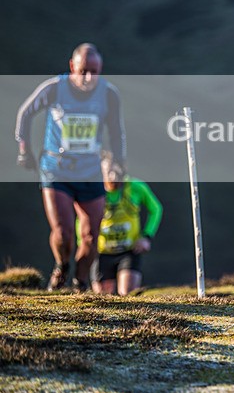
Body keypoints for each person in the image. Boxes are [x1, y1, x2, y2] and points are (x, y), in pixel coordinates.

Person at [15, 43, 126, 291]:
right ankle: (62, 266)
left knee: (90, 236)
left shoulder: (109, 94)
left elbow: (117, 132)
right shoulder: (54, 89)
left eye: (94, 72)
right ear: (72, 66)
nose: (88, 77)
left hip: (91, 171)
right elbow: (25, 114)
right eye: (83, 70)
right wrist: (24, 150)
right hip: (56, 169)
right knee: (64, 233)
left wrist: (118, 163)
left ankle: (81, 281)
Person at [90, 153, 162, 295]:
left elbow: (156, 209)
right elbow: (83, 217)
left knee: (128, 294)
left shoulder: (136, 187)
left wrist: (146, 236)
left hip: (129, 250)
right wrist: (85, 243)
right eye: (109, 172)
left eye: (117, 172)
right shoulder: (94, 189)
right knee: (103, 299)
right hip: (102, 252)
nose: (113, 177)